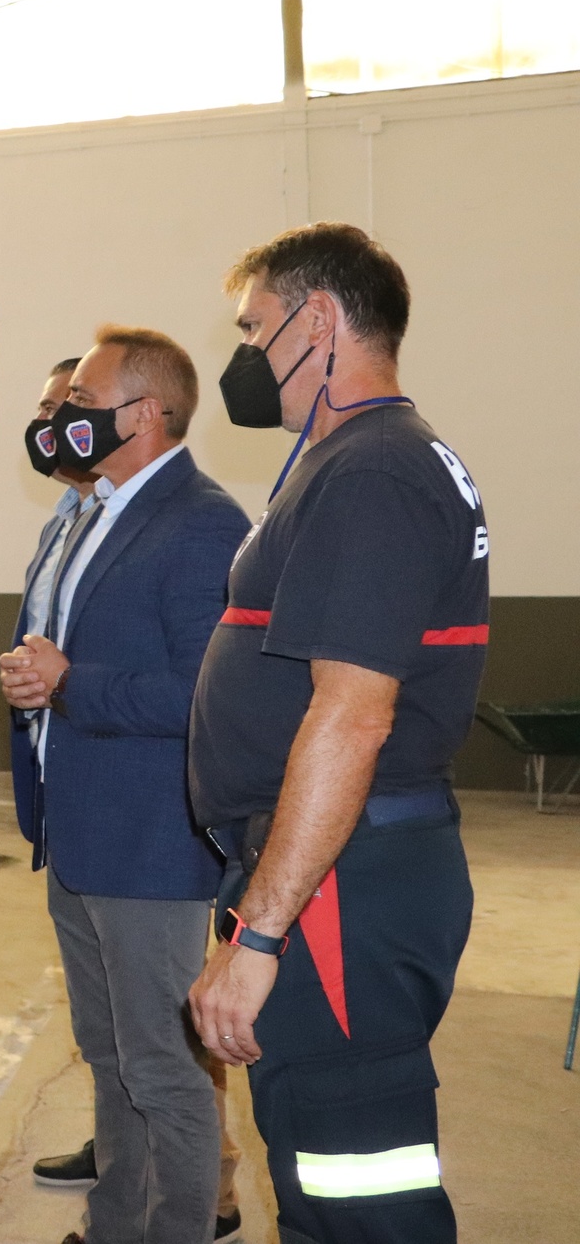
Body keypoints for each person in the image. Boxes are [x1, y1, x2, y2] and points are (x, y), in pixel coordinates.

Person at [188, 223, 487, 1244]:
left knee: (359, 1195)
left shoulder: (370, 472)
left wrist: (261, 933)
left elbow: (350, 717)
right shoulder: (349, 462)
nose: (242, 355)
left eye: (251, 327)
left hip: (337, 891)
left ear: (315, 320)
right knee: (320, 1173)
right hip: (326, 876)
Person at [0, 327, 250, 1244]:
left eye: (83, 400)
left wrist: (69, 681)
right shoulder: (86, 511)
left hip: (147, 845)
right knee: (111, 1060)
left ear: (144, 413)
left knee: (162, 1070)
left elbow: (204, 694)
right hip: (76, 834)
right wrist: (34, 674)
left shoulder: (202, 521)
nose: (64, 416)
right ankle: (116, 1228)